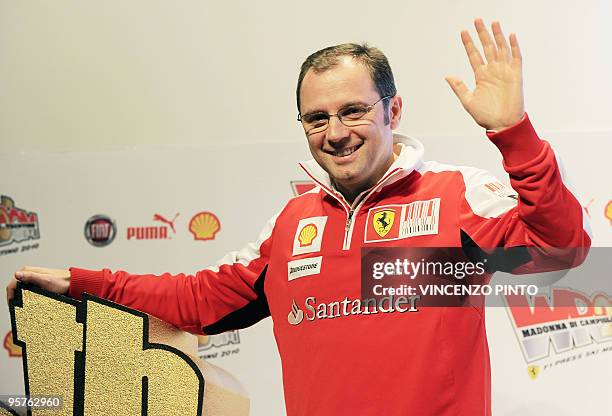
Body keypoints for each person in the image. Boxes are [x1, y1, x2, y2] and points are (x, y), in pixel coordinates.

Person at [6, 19, 591, 416]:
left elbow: (561, 249)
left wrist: (512, 133)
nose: (335, 133)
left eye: (353, 111)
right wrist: (83, 281)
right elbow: (200, 301)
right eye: (316, 118)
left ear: (394, 109)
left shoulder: (455, 194)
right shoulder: (289, 226)